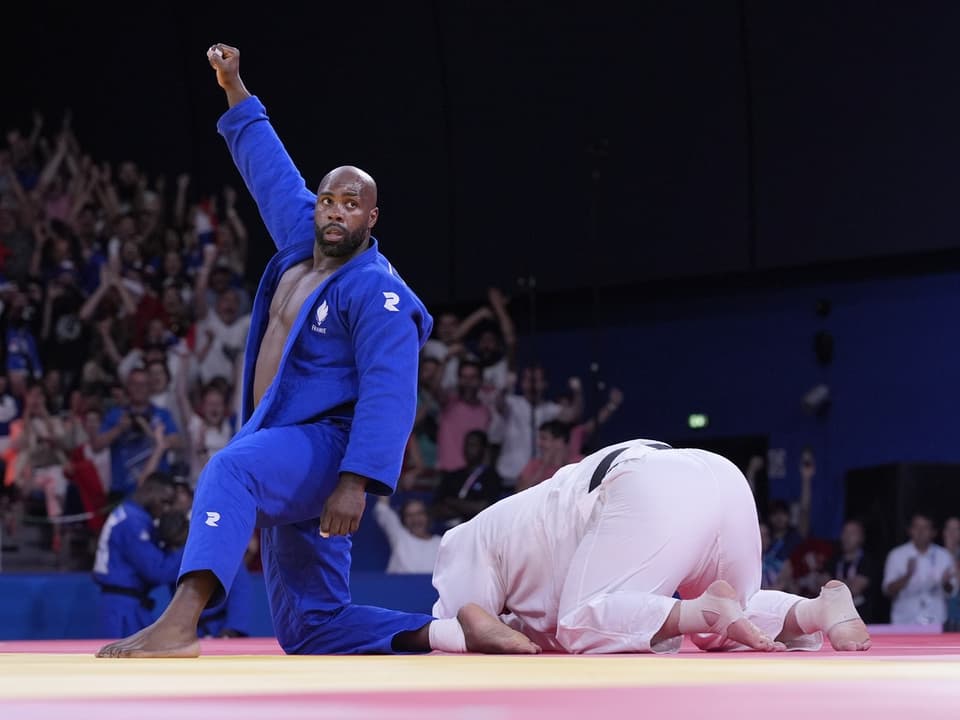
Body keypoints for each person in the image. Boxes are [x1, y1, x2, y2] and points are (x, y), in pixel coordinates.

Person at [97, 43, 516, 658]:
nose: (336, 211)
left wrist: (354, 482)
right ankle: (453, 632)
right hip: (285, 440)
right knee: (311, 628)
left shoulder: (379, 291)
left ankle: (181, 624)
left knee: (230, 468)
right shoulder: (301, 246)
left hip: (326, 447)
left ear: (373, 217)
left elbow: (390, 390)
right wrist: (234, 86)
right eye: (328, 200)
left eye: (352, 204)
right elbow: (269, 168)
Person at [427, 439, 871, 655]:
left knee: (582, 623)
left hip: (650, 485)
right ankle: (817, 611)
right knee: (734, 617)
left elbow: (465, 625)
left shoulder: (465, 539)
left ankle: (700, 610)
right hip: (722, 476)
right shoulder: (517, 518)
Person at [92, 473, 186, 638]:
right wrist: (188, 548)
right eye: (164, 501)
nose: (165, 509)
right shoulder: (131, 522)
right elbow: (157, 571)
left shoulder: (133, 516)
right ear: (149, 490)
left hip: (128, 603)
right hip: (123, 608)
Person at [881, 512, 956, 627]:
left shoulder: (944, 555)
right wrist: (907, 576)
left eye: (925, 527)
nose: (920, 532)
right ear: (910, 530)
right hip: (904, 621)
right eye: (916, 527)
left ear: (933, 532)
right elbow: (888, 590)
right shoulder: (897, 555)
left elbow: (952, 591)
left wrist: (945, 582)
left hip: (936, 621)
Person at [373, 496, 442, 574]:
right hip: (399, 585)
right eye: (409, 515)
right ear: (403, 520)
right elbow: (383, 510)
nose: (415, 519)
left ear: (427, 516)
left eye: (419, 513)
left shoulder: (441, 542)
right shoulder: (399, 536)